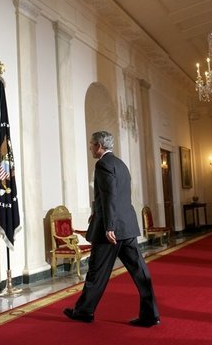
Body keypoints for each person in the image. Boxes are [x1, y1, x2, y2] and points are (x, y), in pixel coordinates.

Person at [63, 130, 160, 327]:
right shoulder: (120, 164)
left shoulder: (103, 164)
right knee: (140, 272)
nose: (90, 147)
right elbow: (111, 195)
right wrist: (95, 211)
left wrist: (109, 226)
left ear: (99, 146)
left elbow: (110, 197)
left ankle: (84, 312)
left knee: (96, 273)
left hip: (112, 231)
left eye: (91, 144)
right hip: (127, 227)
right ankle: (151, 315)